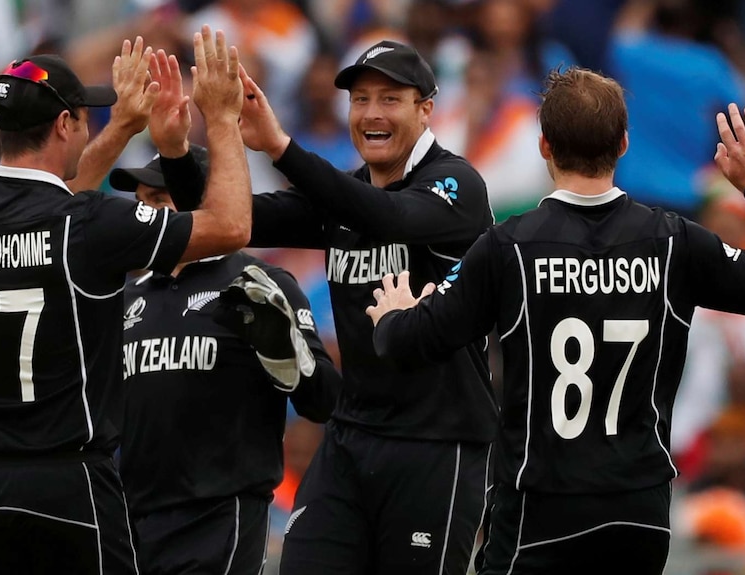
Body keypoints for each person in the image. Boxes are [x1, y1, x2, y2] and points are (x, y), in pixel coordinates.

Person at [365, 67, 745, 574]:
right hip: (639, 510)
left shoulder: (508, 246)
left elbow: (409, 344)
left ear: (545, 146)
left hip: (543, 505)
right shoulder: (673, 241)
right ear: (623, 144)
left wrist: (392, 316)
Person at [158, 39, 498, 574]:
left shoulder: (455, 185)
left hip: (436, 443)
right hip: (351, 437)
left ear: (426, 108)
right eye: (360, 100)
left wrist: (278, 146)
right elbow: (229, 219)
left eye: (390, 99)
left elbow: (388, 218)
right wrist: (179, 152)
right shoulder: (344, 193)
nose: (371, 114)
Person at [0, 26, 252, 574]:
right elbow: (229, 226)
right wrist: (222, 118)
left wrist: (124, 126)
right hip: (67, 482)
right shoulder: (89, 224)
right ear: (65, 123)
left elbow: (46, 202)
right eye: (86, 118)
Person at [110, 142, 341, 575]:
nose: (144, 217)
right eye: (140, 205)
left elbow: (324, 399)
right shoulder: (126, 297)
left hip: (220, 515)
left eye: (158, 201)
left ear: (199, 200)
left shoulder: (258, 284)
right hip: (133, 518)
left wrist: (288, 350)